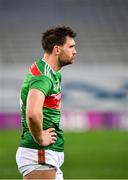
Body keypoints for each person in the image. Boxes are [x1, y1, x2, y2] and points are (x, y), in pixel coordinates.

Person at [16, 25, 77, 179]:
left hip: (45, 155)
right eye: (71, 47)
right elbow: (32, 113)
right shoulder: (44, 77)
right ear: (57, 49)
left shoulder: (50, 72)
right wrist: (40, 138)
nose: (75, 51)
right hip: (39, 154)